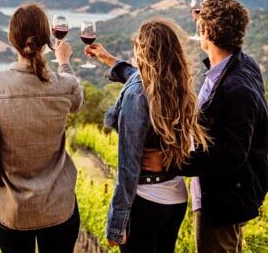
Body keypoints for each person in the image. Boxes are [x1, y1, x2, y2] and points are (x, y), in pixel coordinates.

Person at [85, 17, 209, 252]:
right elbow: (136, 74)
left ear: (142, 52)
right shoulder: (177, 84)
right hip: (175, 200)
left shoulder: (136, 95)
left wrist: (117, 222)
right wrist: (109, 60)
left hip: (145, 201)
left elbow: (128, 166)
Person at [0, 3, 84, 253]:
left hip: (11, 210)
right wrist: (64, 62)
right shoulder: (64, 84)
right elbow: (78, 103)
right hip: (59, 206)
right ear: (47, 39)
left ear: (11, 39)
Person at [175, 0, 268, 252]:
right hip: (222, 192)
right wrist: (206, 22)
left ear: (206, 31)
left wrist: (175, 162)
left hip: (222, 198)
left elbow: (232, 154)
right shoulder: (242, 64)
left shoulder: (236, 88)